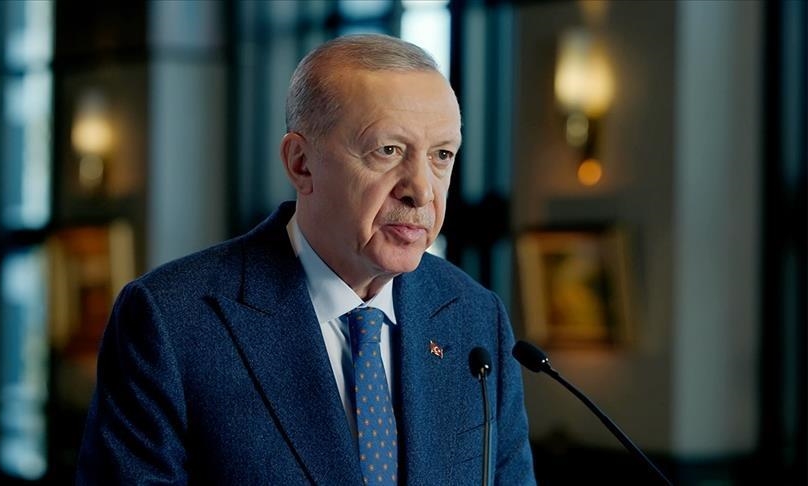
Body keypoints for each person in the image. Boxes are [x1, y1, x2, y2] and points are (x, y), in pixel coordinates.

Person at [77, 33, 536, 485]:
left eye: (441, 155)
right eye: (388, 150)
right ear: (301, 163)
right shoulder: (171, 320)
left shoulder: (476, 318)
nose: (421, 190)